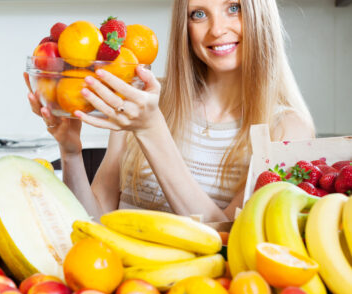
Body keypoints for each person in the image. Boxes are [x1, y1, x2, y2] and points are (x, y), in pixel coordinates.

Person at [25, 0, 315, 222]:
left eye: (233, 7)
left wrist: (152, 130)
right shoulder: (142, 98)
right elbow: (94, 221)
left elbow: (225, 239)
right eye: (198, 14)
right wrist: (71, 151)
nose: (216, 29)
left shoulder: (288, 129)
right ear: (184, 26)